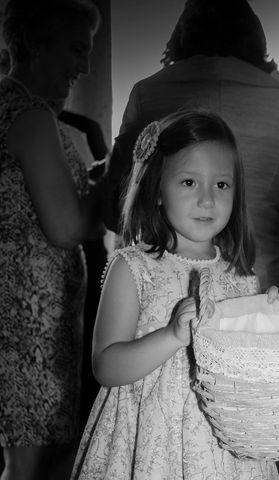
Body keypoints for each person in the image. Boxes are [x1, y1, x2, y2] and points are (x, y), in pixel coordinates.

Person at [71, 110, 279, 479]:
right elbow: (106, 366)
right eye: (189, 182)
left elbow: (253, 367)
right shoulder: (134, 268)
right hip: (151, 446)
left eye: (221, 185)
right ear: (156, 188)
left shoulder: (240, 275)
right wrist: (172, 336)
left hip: (223, 450)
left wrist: (278, 318)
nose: (207, 200)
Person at [103, 0, 279, 292]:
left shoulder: (147, 94)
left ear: (181, 36)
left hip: (166, 282)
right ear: (256, 40)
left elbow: (114, 209)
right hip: (263, 284)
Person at [0, 1, 101, 479]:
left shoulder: (9, 106)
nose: (82, 66)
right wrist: (112, 184)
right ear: (36, 43)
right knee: (32, 466)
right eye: (76, 49)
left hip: (26, 319)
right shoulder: (31, 117)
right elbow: (65, 228)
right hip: (30, 326)